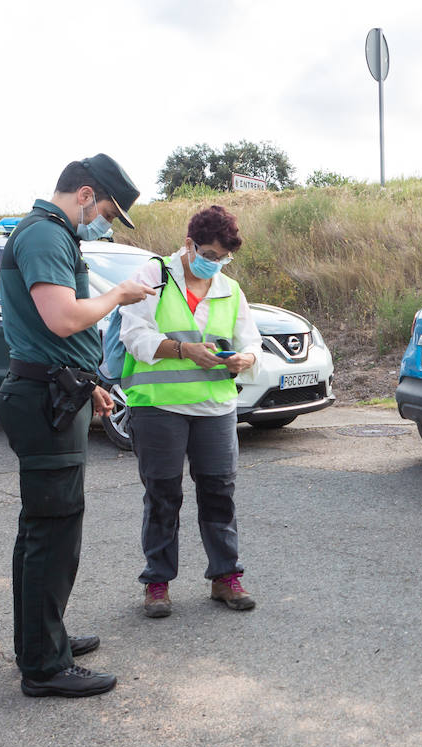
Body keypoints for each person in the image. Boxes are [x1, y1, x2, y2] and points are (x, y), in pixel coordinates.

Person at [0, 154, 151, 698]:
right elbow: (62, 318)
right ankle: (43, 665)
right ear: (85, 194)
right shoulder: (44, 235)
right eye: (108, 209)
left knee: (46, 527)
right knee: (52, 531)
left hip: (55, 391)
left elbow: (55, 337)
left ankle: (41, 640)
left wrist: (90, 384)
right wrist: (117, 295)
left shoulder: (51, 233)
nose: (105, 220)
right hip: (43, 401)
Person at [120, 205, 263, 618]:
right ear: (189, 244)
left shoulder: (229, 289)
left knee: (220, 493)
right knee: (163, 496)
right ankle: (158, 584)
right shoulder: (154, 276)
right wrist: (183, 350)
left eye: (223, 258)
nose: (215, 264)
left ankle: (226, 578)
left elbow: (250, 340)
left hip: (215, 407)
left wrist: (244, 359)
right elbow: (135, 336)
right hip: (159, 407)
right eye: (210, 255)